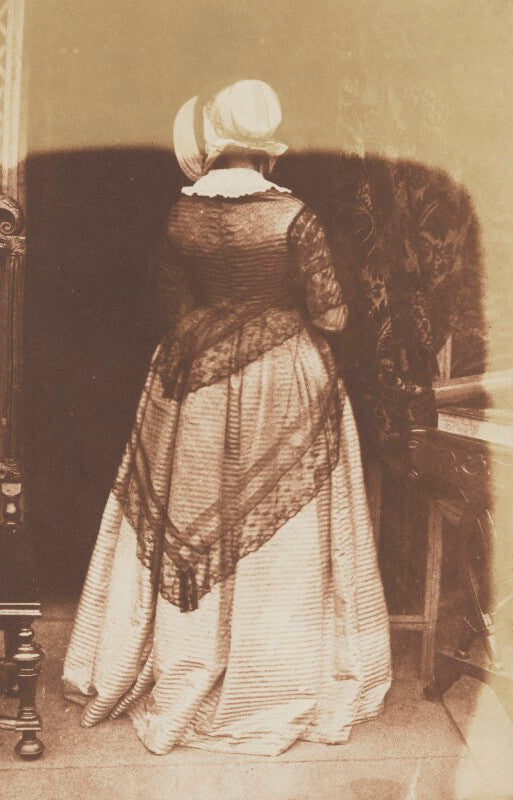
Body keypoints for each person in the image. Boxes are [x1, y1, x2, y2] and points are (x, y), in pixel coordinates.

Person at [63, 79, 391, 756]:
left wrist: (224, 328)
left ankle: (187, 660)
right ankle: (271, 679)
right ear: (266, 144)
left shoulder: (182, 216)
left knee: (196, 508)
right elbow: (331, 315)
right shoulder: (295, 216)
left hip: (195, 385)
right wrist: (281, 315)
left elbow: (172, 310)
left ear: (217, 138)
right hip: (286, 382)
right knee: (282, 540)